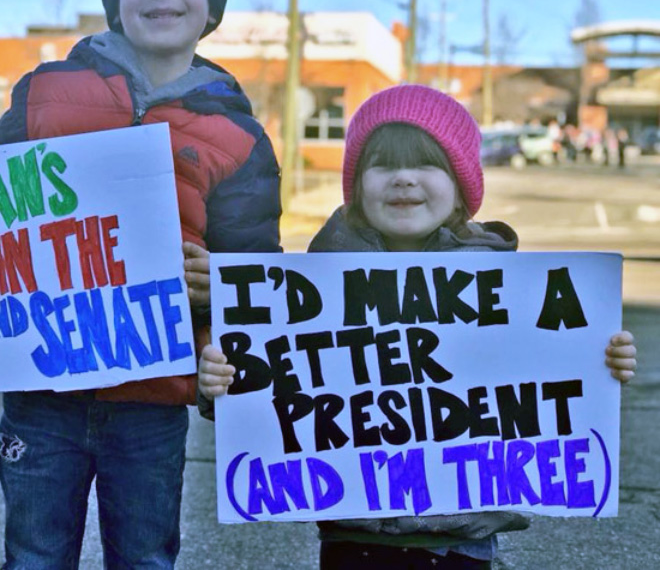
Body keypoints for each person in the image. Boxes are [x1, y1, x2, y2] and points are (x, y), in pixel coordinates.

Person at [198, 85, 637, 569]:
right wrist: (221, 381)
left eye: (427, 164)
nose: (403, 178)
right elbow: (269, 402)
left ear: (460, 185)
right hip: (353, 541)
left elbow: (553, 378)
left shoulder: (504, 287)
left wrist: (601, 360)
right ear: (357, 185)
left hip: (460, 543)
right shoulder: (313, 286)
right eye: (382, 164)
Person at [0, 0, 280, 567]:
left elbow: (258, 278)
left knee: (146, 557)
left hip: (155, 403)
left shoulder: (238, 135)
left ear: (210, 1)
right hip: (41, 395)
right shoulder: (43, 93)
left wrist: (225, 291)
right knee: (33, 555)